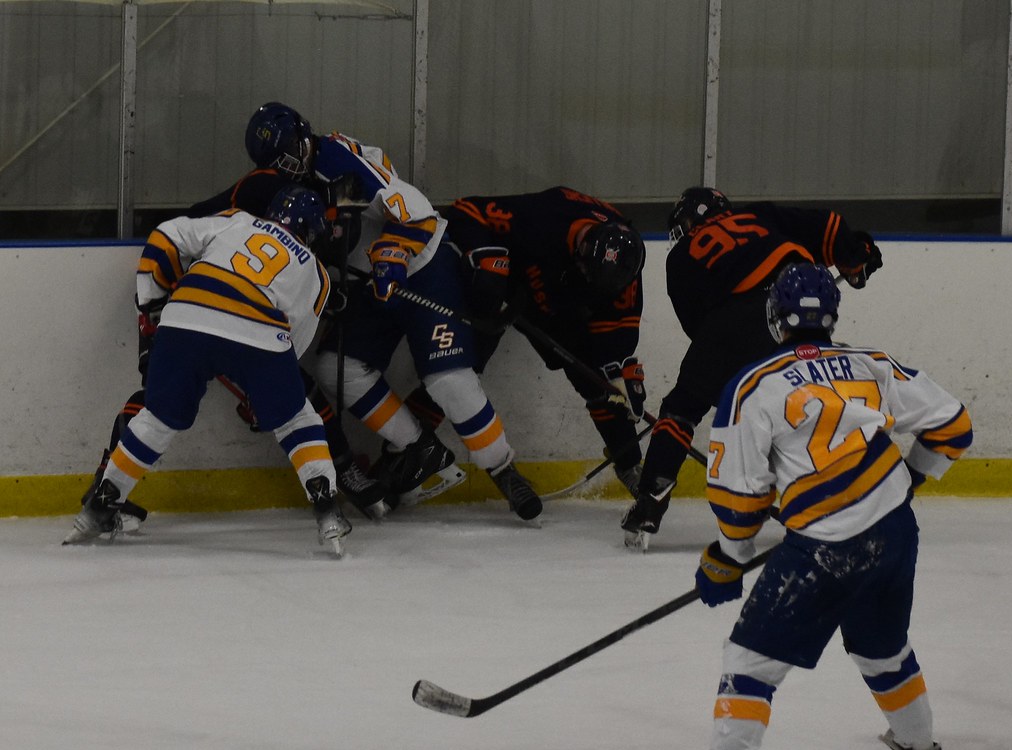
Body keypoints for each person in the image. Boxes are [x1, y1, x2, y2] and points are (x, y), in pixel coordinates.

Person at [655, 263, 971, 750]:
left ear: (774, 317)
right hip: (896, 531)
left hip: (827, 548)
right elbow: (954, 426)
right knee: (884, 650)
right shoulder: (871, 363)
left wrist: (727, 558)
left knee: (750, 656)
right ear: (831, 317)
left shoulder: (753, 384)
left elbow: (737, 497)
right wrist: (912, 478)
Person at [242, 102, 543, 520]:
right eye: (277, 162)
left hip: (423, 266)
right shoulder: (299, 181)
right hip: (373, 283)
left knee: (449, 380)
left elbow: (414, 213)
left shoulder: (334, 158)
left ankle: (503, 468)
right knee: (334, 367)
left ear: (303, 134)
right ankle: (420, 449)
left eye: (290, 151)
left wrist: (391, 257)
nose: (288, 165)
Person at [65, 186, 353, 557]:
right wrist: (261, 390)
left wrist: (152, 306)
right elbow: (291, 345)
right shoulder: (318, 275)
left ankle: (99, 507)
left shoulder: (238, 220)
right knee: (297, 417)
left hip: (183, 315)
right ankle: (327, 510)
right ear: (313, 231)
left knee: (157, 418)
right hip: (258, 332)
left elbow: (165, 236)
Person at [622, 186, 884, 551]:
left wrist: (727, 373)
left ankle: (651, 499)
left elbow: (701, 330)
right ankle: (846, 496)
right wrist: (855, 257)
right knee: (806, 406)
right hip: (799, 306)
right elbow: (828, 225)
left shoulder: (679, 257)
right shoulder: (757, 215)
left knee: (683, 407)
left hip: (735, 320)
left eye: (684, 220)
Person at [402, 186, 648, 496]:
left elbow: (620, 336)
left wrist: (620, 371)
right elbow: (466, 209)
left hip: (559, 306)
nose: (587, 276)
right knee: (460, 368)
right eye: (585, 270)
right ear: (582, 248)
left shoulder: (625, 266)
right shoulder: (546, 214)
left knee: (600, 383)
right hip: (505, 285)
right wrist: (487, 261)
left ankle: (631, 466)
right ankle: (405, 449)